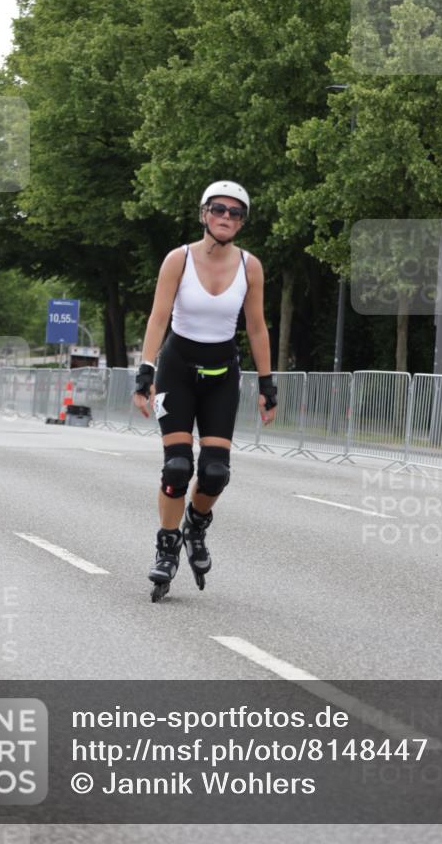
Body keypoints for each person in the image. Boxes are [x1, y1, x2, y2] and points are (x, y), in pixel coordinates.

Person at [133, 180, 277, 601]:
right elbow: (159, 316)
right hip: (177, 371)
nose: (226, 217)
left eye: (235, 213)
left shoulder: (250, 266)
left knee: (215, 473)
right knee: (177, 468)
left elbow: (256, 327)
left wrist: (267, 383)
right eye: (219, 209)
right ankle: (167, 547)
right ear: (204, 214)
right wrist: (145, 370)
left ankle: (196, 524)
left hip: (222, 375)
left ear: (242, 222)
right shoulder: (178, 259)